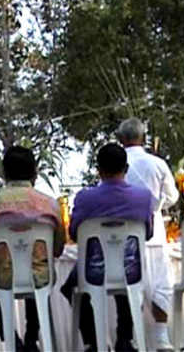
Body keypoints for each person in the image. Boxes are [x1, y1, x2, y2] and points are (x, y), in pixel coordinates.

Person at [0, 146, 65, 352]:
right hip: (40, 277)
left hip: (2, 278)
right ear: (35, 172)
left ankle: (13, 340)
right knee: (37, 279)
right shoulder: (50, 205)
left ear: (3, 173)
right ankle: (32, 338)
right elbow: (57, 249)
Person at [60, 143, 153, 352]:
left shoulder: (84, 198)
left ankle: (93, 342)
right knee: (125, 279)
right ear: (126, 169)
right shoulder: (143, 197)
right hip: (131, 270)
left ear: (99, 170)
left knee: (70, 287)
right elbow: (148, 233)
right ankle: (125, 339)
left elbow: (74, 234)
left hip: (94, 272)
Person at [116, 117, 179, 352]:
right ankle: (161, 338)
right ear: (143, 137)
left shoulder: (116, 164)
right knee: (161, 284)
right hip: (154, 231)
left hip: (123, 235)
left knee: (130, 286)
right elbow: (172, 197)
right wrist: (157, 203)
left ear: (121, 139)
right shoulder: (157, 164)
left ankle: (132, 339)